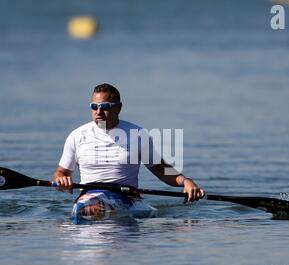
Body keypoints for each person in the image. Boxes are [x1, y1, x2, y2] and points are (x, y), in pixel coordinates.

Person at [53, 83, 205, 205]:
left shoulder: (137, 134)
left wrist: (186, 181)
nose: (98, 112)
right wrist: (61, 179)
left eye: (105, 106)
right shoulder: (77, 135)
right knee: (90, 209)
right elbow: (62, 172)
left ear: (119, 108)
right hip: (88, 197)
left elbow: (160, 169)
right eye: (94, 107)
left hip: (127, 198)